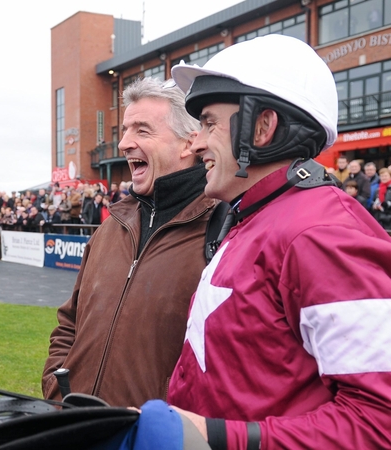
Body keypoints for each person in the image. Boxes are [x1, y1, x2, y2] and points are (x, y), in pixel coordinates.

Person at [168, 34, 391, 448]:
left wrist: (213, 438)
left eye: (210, 123)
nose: (196, 143)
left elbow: (380, 423)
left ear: (263, 126)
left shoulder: (321, 231)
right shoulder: (255, 216)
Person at [43, 76, 218, 407]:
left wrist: (167, 422)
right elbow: (69, 322)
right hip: (76, 427)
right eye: (125, 130)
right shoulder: (111, 228)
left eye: (142, 130)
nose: (123, 143)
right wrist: (58, 385)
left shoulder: (224, 234)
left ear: (188, 144)